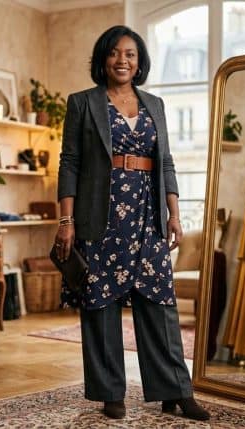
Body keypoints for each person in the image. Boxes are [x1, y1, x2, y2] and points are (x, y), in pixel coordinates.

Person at [54, 25, 210, 421]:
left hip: (147, 213)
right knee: (101, 301)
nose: (122, 60)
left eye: (131, 54)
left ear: (140, 63)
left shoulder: (155, 104)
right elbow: (70, 161)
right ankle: (111, 393)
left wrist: (175, 214)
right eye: (114, 53)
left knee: (159, 302)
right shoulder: (82, 102)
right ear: (102, 59)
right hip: (99, 213)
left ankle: (175, 389)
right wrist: (66, 219)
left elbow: (167, 162)